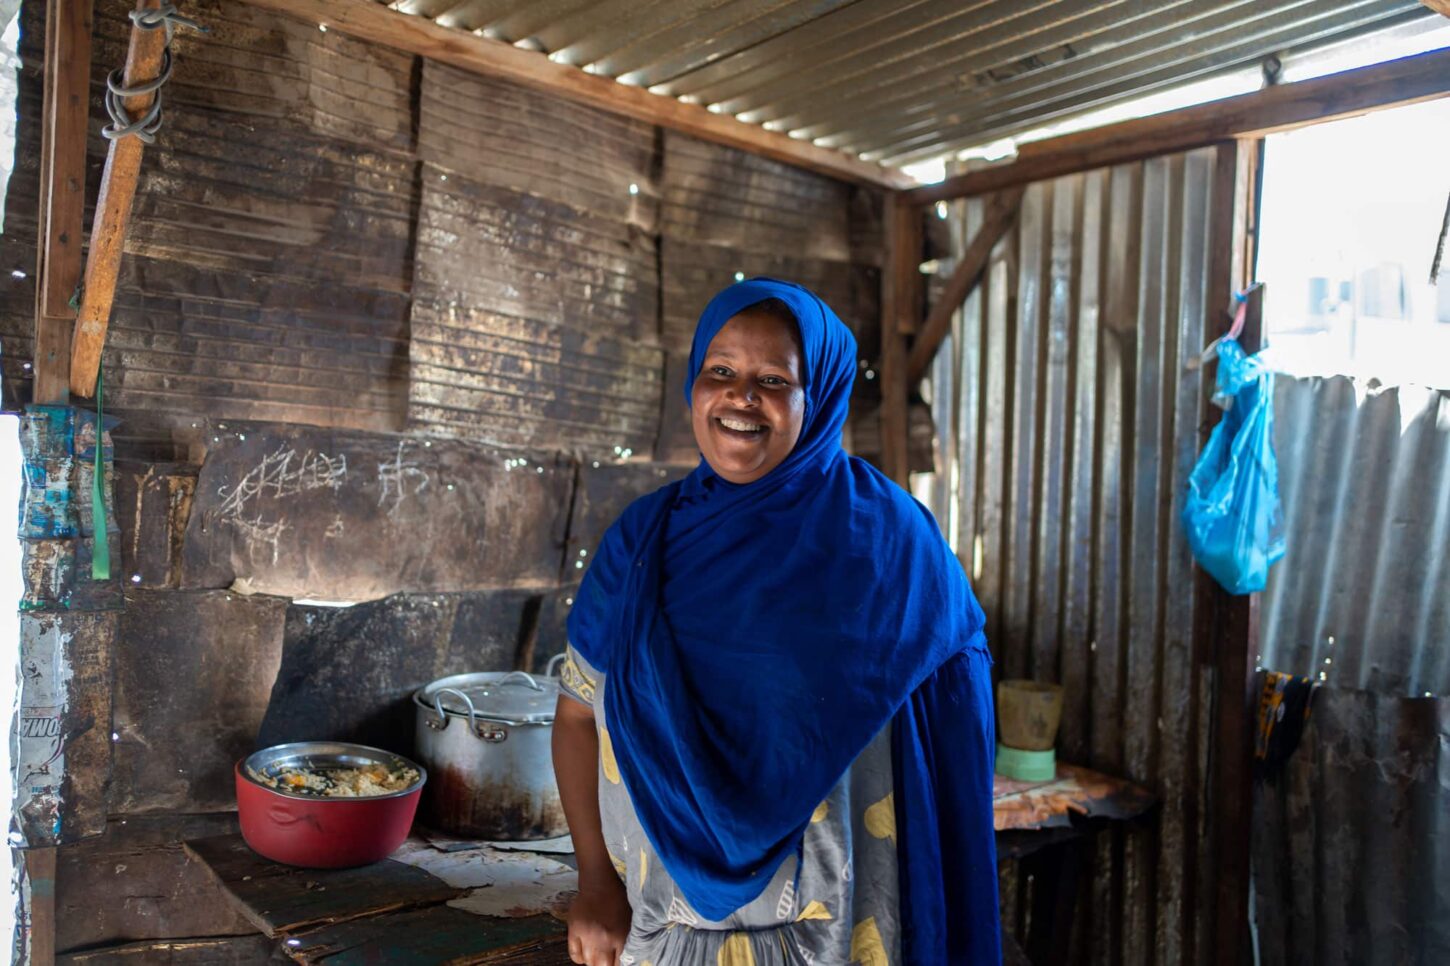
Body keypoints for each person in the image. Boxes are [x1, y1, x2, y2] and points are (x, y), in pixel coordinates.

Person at [552, 277, 1000, 965]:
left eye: (773, 379)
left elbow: (953, 712)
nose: (740, 396)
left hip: (844, 932)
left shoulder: (886, 541)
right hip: (666, 933)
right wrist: (592, 881)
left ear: (815, 396)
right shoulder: (641, 545)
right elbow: (577, 716)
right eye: (720, 371)